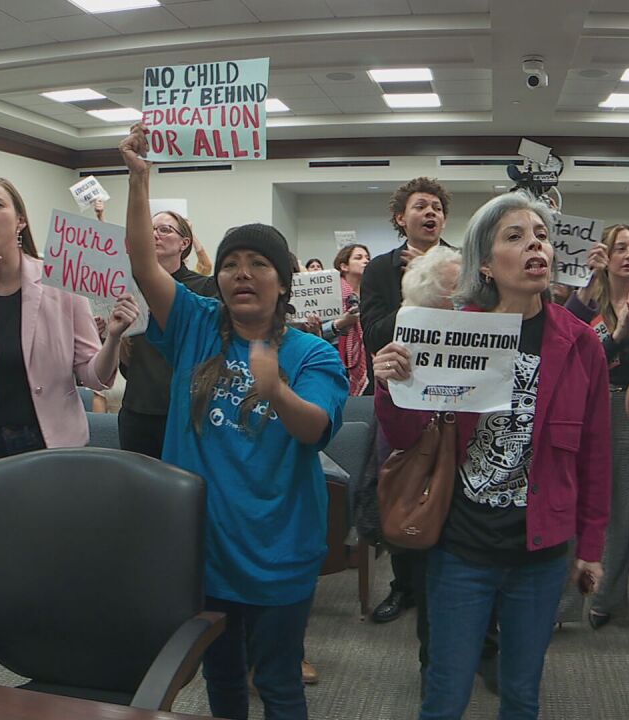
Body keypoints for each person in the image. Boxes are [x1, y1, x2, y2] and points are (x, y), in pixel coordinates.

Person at [120, 124, 347, 720]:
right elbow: (145, 266)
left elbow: (315, 427)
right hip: (205, 549)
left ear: (283, 280)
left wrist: (277, 391)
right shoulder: (196, 324)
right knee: (220, 682)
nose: (242, 274)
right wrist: (140, 180)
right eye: (231, 265)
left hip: (280, 549)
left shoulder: (311, 353)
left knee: (277, 683)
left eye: (258, 264)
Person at [372, 191, 611, 719]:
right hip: (462, 545)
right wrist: (391, 385)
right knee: (446, 692)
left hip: (541, 552)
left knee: (521, 694)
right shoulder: (453, 330)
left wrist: (590, 545)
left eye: (542, 236)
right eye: (516, 236)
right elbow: (409, 435)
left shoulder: (580, 343)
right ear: (486, 263)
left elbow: (596, 453)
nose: (536, 245)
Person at [0, 178, 135, 483]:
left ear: (20, 221)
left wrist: (113, 338)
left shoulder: (58, 279)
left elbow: (95, 377)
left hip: (54, 445)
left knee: (52, 532)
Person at [361, 177, 452, 631]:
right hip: (400, 396)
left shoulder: (463, 265)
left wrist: (439, 280)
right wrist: (416, 293)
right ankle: (404, 585)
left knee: (448, 496)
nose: (430, 213)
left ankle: (444, 585)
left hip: (455, 400)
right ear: (402, 218)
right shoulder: (379, 270)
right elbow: (373, 332)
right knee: (399, 489)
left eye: (437, 207)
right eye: (420, 207)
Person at [564, 223, 629, 629]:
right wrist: (612, 339)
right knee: (573, 507)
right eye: (620, 247)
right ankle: (564, 607)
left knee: (620, 510)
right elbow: (569, 354)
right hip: (586, 407)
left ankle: (607, 601)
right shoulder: (584, 301)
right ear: (603, 255)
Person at [117, 209, 217, 459]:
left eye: (165, 230)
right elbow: (129, 365)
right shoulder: (128, 287)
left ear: (185, 243)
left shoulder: (204, 289)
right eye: (150, 229)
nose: (155, 235)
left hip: (185, 411)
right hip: (137, 410)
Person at [331, 243, 370, 395]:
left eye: (367, 258)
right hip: (336, 357)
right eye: (358, 258)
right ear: (344, 266)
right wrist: (343, 322)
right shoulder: (333, 294)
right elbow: (319, 329)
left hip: (366, 359)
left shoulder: (370, 294)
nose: (366, 261)